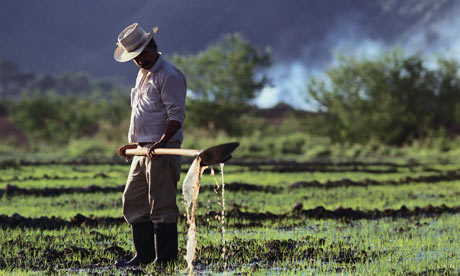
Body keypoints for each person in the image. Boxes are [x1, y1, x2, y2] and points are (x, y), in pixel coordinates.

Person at [113, 23, 186, 266]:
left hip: (162, 151)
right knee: (133, 201)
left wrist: (161, 142)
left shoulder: (169, 75)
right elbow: (146, 113)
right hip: (141, 150)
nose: (139, 61)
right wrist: (133, 144)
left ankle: (165, 259)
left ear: (153, 47)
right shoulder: (143, 73)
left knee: (161, 205)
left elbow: (175, 116)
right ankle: (143, 256)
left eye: (142, 55)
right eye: (135, 58)